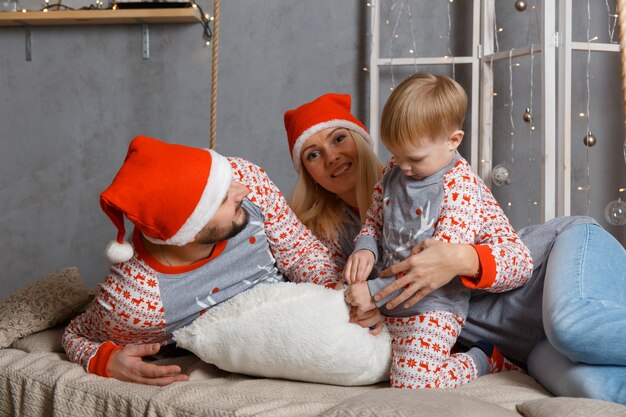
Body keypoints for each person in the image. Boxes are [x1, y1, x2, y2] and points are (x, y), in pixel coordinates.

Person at [284, 92, 626, 403]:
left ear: (362, 141)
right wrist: (366, 307)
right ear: (307, 171)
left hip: (555, 262)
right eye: (313, 154)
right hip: (524, 341)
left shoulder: (439, 180)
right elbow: (341, 295)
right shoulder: (333, 237)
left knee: (570, 329)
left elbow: (519, 260)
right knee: (593, 389)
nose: (332, 157)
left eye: (339, 138)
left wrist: (461, 258)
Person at [62, 135, 342, 386]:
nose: (240, 191)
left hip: (296, 306)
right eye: (221, 198)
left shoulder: (248, 180)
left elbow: (302, 252)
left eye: (226, 180)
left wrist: (339, 294)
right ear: (188, 232)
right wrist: (105, 360)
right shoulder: (136, 299)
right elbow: (76, 333)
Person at [350, 72, 534, 389]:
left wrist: (372, 291)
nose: (402, 166)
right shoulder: (395, 169)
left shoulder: (459, 188)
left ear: (453, 140)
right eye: (395, 154)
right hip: (390, 298)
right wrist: (366, 245)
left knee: (413, 382)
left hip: (434, 306)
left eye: (414, 158)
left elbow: (436, 265)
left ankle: (483, 358)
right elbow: (376, 216)